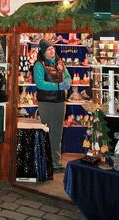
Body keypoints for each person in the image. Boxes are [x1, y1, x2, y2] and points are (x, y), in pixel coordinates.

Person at [33, 39, 71, 172]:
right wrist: (58, 86)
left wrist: (67, 82)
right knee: (47, 130)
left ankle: (56, 161)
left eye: (53, 48)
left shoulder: (60, 62)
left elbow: (67, 76)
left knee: (57, 132)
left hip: (60, 101)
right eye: (49, 49)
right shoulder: (39, 65)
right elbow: (40, 83)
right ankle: (46, 161)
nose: (52, 51)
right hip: (46, 102)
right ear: (43, 51)